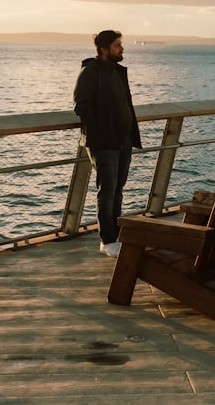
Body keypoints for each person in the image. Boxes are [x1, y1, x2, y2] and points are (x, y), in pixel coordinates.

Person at [73, 30, 142, 258]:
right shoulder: (90, 72)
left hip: (122, 141)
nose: (121, 49)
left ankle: (117, 234)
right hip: (104, 143)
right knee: (107, 190)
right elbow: (81, 105)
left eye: (120, 45)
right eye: (117, 45)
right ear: (103, 49)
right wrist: (100, 133)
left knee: (118, 189)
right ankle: (108, 239)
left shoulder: (117, 72)